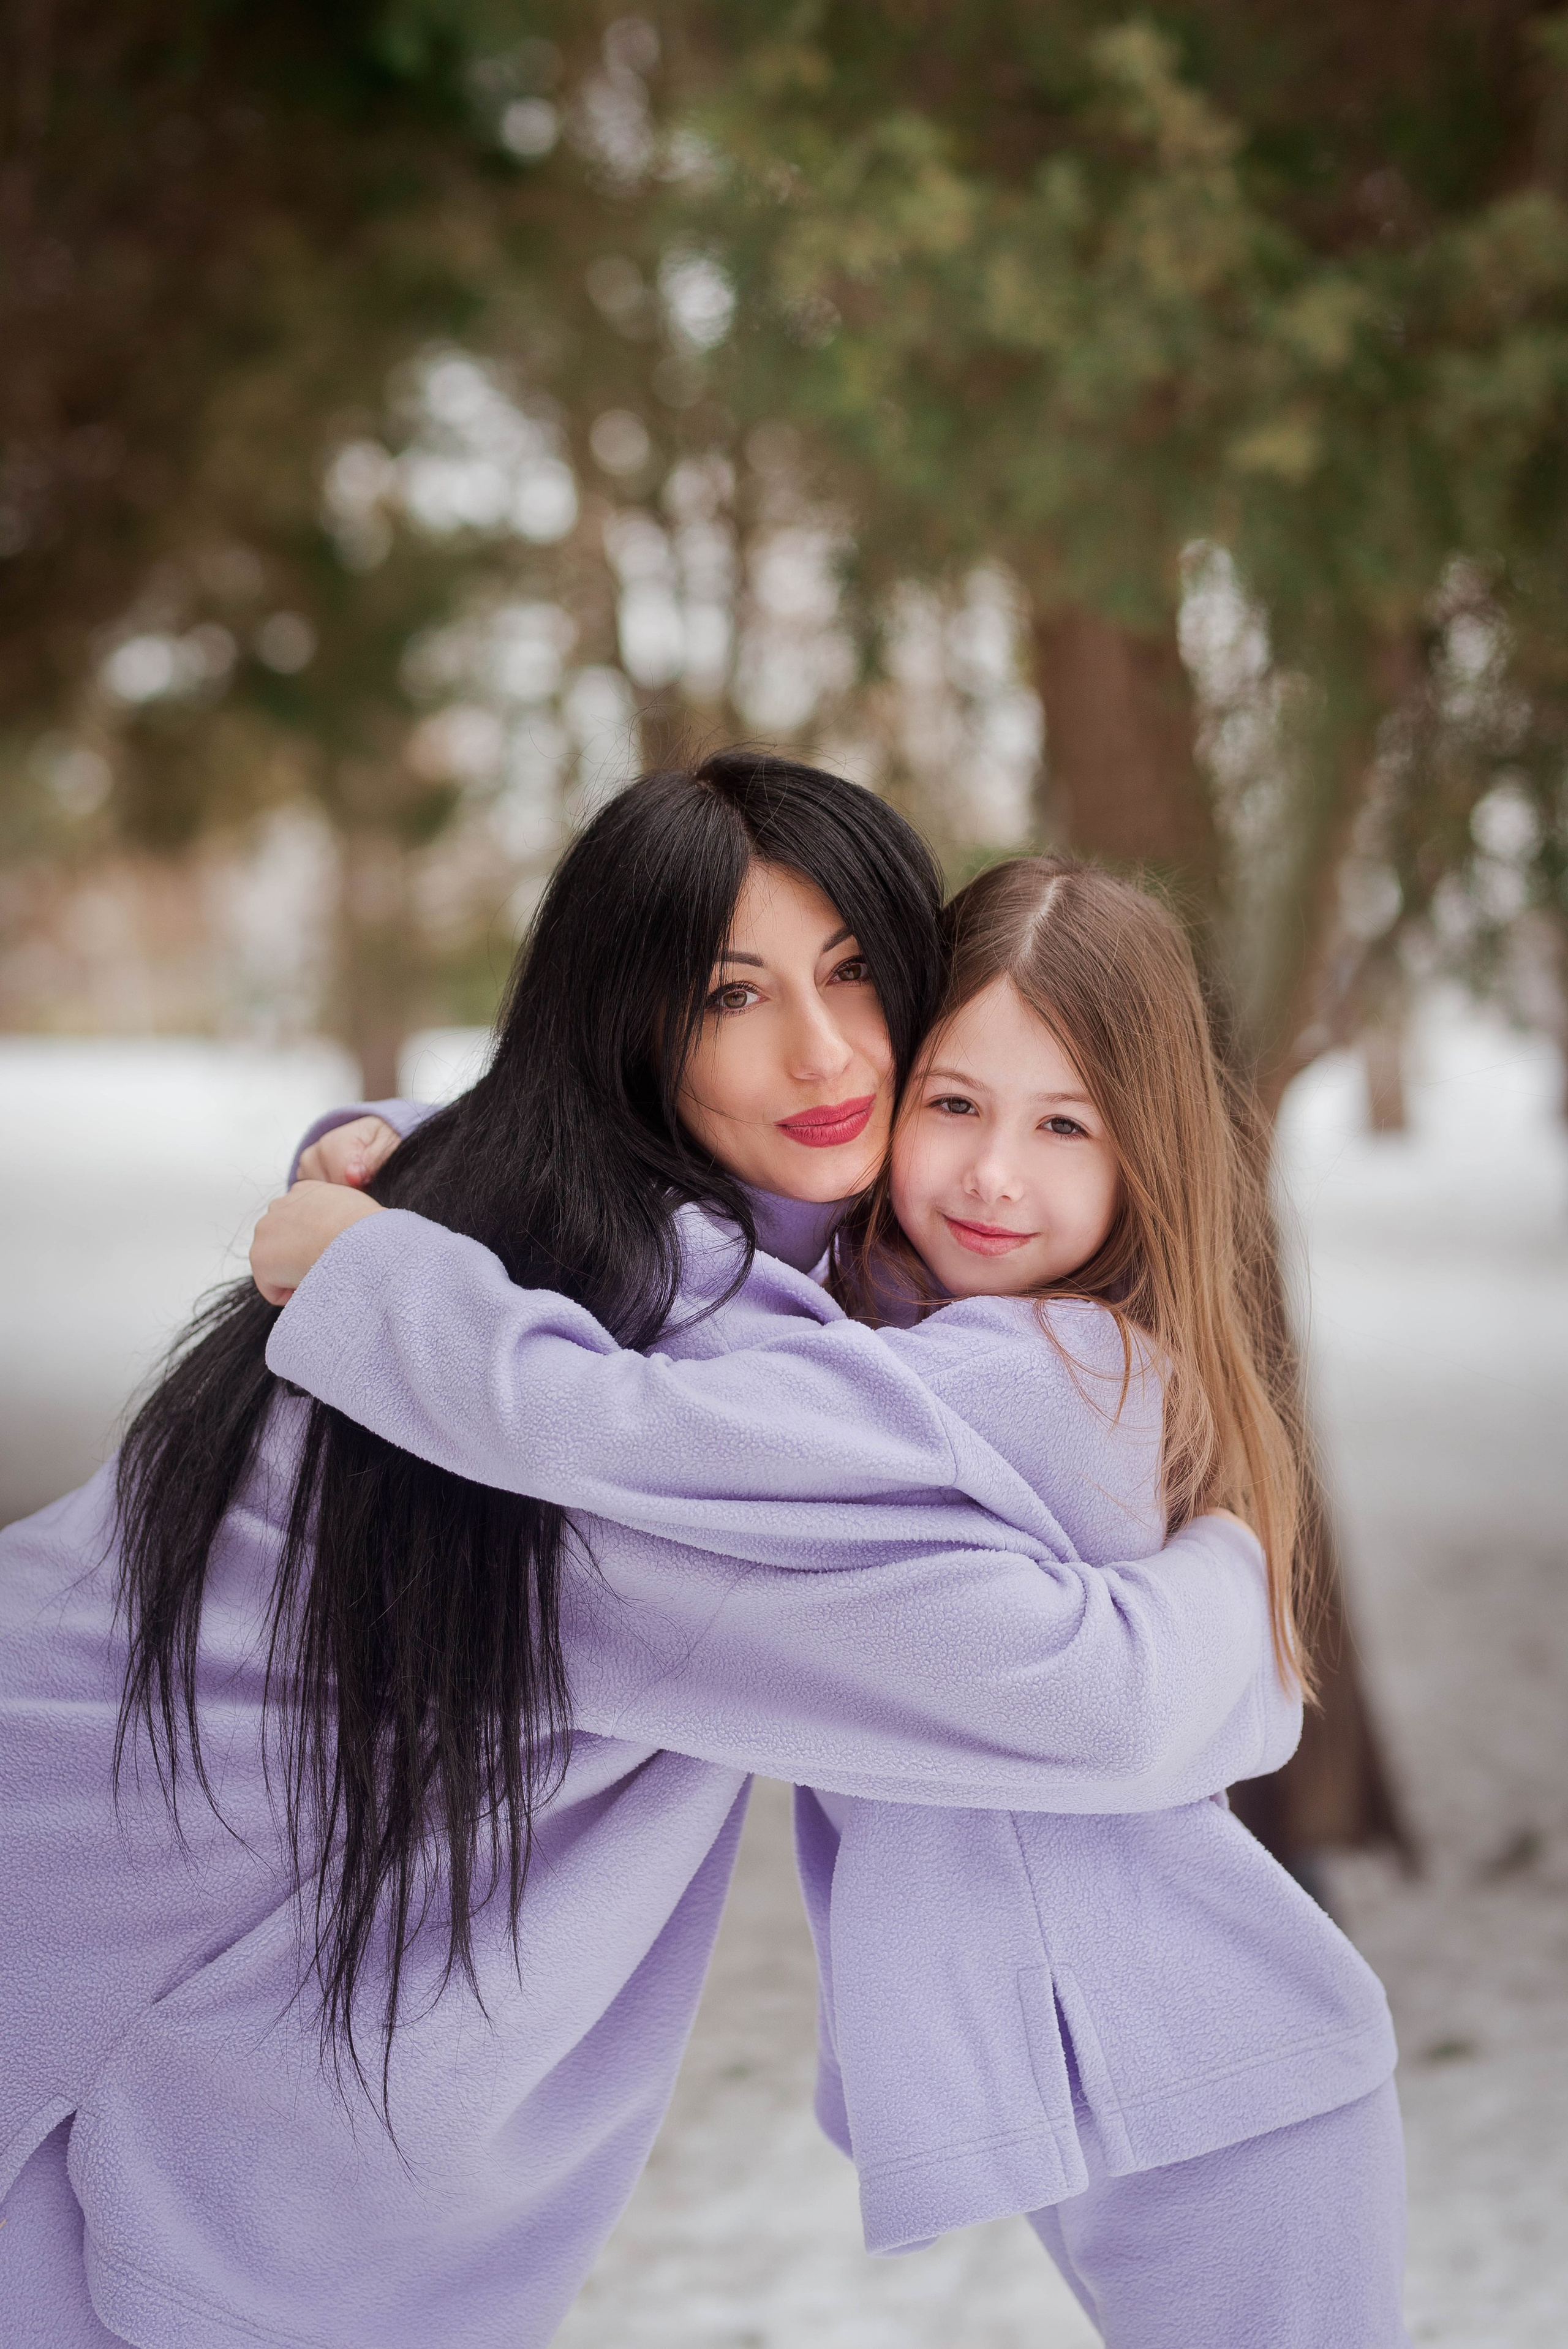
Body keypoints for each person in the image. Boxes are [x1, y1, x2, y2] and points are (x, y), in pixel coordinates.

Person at [0, 756, 1286, 2349]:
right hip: (95, 2065)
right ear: (630, 1020)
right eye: (727, 992)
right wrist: (1240, 1562)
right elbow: (1097, 1707)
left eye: (856, 973)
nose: (822, 1053)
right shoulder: (670, 1412)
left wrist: (369, 1149)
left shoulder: (507, 1226)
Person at [255, 851, 1407, 2346]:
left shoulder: (1056, 1370)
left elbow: (659, 1418)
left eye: (1068, 1124)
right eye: (953, 1104)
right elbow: (667, 1218)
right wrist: (390, 1145)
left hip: (1234, 2074)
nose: (994, 1173)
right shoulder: (908, 1318)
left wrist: (383, 1278)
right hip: (1138, 2067)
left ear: (1149, 1159)